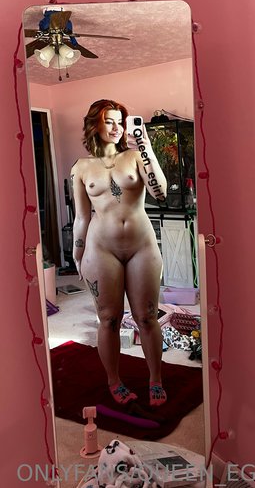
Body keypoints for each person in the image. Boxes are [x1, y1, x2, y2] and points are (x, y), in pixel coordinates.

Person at [70, 99, 168, 407]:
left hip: (142, 247)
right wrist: (77, 253)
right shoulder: (81, 168)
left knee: (147, 317)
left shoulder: (135, 156)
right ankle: (114, 381)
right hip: (101, 250)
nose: (116, 127)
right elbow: (82, 217)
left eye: (120, 122)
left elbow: (161, 193)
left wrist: (146, 146)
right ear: (95, 125)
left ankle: (155, 379)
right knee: (108, 318)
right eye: (109, 121)